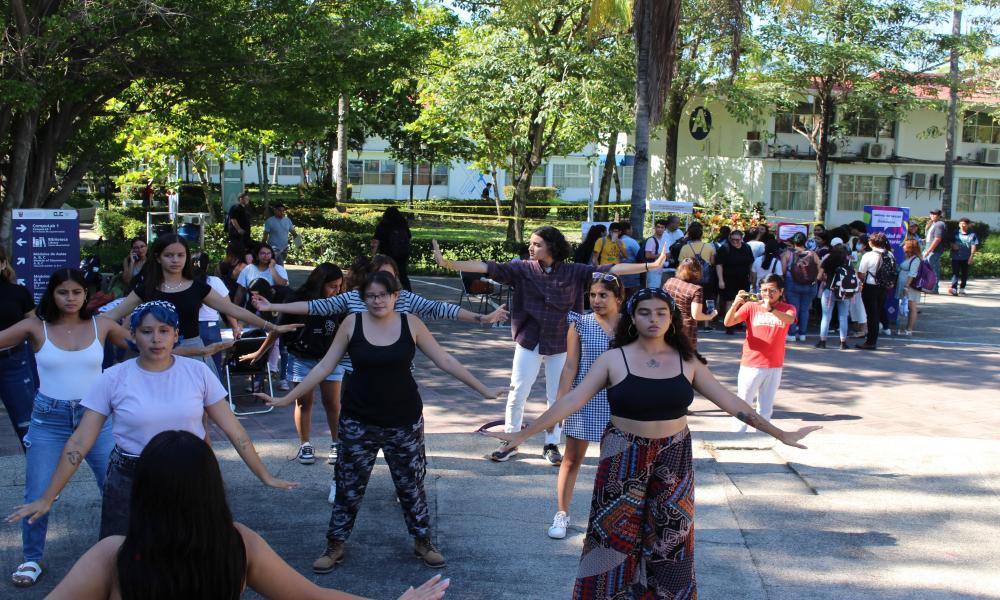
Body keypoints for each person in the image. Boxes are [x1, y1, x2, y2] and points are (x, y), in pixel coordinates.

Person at [485, 287, 819, 599]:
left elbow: (732, 402)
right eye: (645, 313)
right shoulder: (613, 359)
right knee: (611, 538)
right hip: (623, 455)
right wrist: (521, 436)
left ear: (672, 318)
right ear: (633, 318)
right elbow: (571, 402)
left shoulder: (688, 361)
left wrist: (780, 433)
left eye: (661, 312)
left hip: (674, 456)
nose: (653, 319)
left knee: (672, 539)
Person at [258, 271, 499, 572]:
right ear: (363, 298)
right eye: (371, 296)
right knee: (348, 485)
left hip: (404, 420)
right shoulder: (351, 323)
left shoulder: (411, 324)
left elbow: (445, 360)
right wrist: (286, 397)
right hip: (359, 420)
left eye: (383, 295)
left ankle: (423, 540)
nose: (377, 301)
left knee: (411, 485)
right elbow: (323, 367)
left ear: (396, 296)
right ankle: (335, 544)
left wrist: (484, 389)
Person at [6, 301, 297, 540]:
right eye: (146, 331)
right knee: (124, 554)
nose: (156, 339)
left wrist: (264, 474)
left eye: (164, 330)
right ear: (133, 335)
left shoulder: (197, 373)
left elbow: (235, 430)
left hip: (190, 473)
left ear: (176, 334)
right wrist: (47, 497)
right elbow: (80, 441)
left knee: (194, 549)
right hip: (131, 477)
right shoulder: (113, 377)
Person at [42, 430, 450, 600]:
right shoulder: (238, 543)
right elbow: (314, 597)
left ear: (144, 491)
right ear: (210, 487)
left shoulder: (114, 554)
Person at [430, 227, 668, 464]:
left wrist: (651, 266)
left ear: (552, 247)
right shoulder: (521, 269)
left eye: (537, 244)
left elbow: (609, 270)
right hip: (529, 341)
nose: (531, 248)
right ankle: (511, 441)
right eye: (531, 244)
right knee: (517, 392)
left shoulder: (574, 271)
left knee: (556, 396)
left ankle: (551, 443)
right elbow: (487, 267)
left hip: (561, 342)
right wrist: (447, 263)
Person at [1, 269, 129, 587]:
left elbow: (149, 345)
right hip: (48, 421)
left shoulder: (102, 324)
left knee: (116, 489)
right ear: (52, 294)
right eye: (63, 292)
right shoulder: (36, 325)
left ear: (86, 294)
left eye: (76, 292)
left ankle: (128, 552)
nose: (70, 298)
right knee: (39, 490)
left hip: (96, 419)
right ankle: (31, 558)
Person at [99, 234, 297, 374]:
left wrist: (272, 326)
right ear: (158, 258)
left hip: (193, 352)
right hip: (156, 353)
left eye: (180, 255)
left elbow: (233, 309)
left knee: (199, 419)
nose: (175, 260)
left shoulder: (198, 287)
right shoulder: (146, 288)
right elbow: (112, 316)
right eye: (169, 255)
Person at [241, 264, 346, 474]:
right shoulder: (297, 299)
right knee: (303, 401)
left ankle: (337, 444)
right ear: (319, 283)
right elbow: (277, 329)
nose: (336, 291)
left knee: (332, 402)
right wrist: (259, 353)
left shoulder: (340, 303)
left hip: (330, 359)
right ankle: (305, 444)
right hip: (301, 358)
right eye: (332, 286)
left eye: (339, 287)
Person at [546, 273, 624, 540]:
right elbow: (570, 367)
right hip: (584, 400)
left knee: (614, 465)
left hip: (620, 401)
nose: (597, 300)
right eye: (592, 295)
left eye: (603, 295)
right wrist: (559, 405)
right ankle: (562, 514)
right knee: (571, 459)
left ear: (618, 298)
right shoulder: (580, 324)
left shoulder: (631, 327)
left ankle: (609, 519)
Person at [723, 275, 797, 432]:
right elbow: (728, 322)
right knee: (743, 404)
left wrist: (771, 309)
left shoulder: (788, 308)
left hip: (774, 365)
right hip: (751, 365)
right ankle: (738, 435)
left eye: (772, 290)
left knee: (765, 407)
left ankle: (761, 436)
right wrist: (736, 303)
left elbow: (789, 320)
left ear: (781, 291)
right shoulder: (751, 306)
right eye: (764, 290)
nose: (767, 294)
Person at [0, 245, 37, 450]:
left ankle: (40, 479)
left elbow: (34, 328)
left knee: (27, 427)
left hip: (14, 363)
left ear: (3, 263)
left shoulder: (18, 293)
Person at [192, 252, 238, 378]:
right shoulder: (215, 281)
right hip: (210, 328)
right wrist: (235, 327)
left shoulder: (183, 282)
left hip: (188, 327)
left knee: (190, 368)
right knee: (214, 368)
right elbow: (228, 307)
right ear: (207, 267)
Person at [663, 257, 717, 350]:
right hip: (685, 329)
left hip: (667, 325)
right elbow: (696, 315)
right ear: (697, 271)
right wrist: (710, 316)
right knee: (684, 360)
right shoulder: (696, 289)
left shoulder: (670, 282)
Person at [855, 232, 894, 350]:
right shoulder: (890, 254)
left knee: (871, 315)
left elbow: (861, 273)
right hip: (883, 287)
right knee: (877, 313)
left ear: (871, 242)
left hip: (870, 287)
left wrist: (865, 280)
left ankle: (871, 341)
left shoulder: (868, 255)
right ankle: (873, 339)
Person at [715, 229, 755, 335]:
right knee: (730, 301)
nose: (735, 242)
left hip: (743, 278)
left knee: (743, 300)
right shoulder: (725, 248)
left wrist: (751, 275)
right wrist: (720, 280)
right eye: (733, 240)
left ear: (742, 239)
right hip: (728, 279)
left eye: (737, 240)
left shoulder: (747, 247)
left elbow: (751, 262)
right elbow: (719, 264)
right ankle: (729, 325)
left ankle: (738, 321)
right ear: (730, 239)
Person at [783, 233, 821, 342]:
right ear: (805, 241)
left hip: (792, 284)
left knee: (794, 309)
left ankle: (791, 334)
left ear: (793, 242)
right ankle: (803, 334)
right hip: (809, 284)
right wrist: (815, 279)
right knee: (805, 310)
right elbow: (820, 266)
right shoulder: (812, 254)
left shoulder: (788, 254)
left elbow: (784, 270)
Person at [815, 246, 852, 350]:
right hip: (844, 293)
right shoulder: (848, 262)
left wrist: (825, 278)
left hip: (830, 291)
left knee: (826, 317)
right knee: (843, 317)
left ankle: (822, 342)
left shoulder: (828, 260)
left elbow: (819, 276)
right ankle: (843, 343)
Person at [372, 206, 413, 291]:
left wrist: (373, 254)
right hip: (402, 254)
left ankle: (388, 291)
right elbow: (409, 236)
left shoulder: (383, 225)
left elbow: (376, 241)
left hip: (387, 255)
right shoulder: (402, 224)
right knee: (403, 275)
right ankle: (409, 293)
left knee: (387, 274)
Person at [896, 240, 922, 336]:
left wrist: (906, 286)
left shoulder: (916, 259)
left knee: (911, 307)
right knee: (905, 307)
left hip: (910, 287)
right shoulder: (908, 258)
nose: (903, 247)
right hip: (905, 285)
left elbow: (912, 274)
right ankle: (906, 328)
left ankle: (909, 329)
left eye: (905, 245)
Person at [949, 217, 978, 296]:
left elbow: (973, 245)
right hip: (955, 257)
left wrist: (971, 257)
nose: (962, 225)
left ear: (968, 225)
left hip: (966, 257)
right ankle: (954, 288)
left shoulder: (972, 234)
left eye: (964, 224)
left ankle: (962, 289)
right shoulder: (955, 232)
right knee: (955, 273)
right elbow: (951, 241)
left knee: (964, 273)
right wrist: (953, 245)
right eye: (961, 224)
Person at [922, 209, 946, 293]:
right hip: (928, 248)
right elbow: (930, 238)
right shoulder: (932, 223)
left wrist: (928, 251)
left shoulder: (940, 224)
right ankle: (928, 286)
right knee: (928, 268)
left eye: (935, 214)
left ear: (939, 216)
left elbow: (937, 239)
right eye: (931, 214)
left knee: (933, 269)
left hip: (934, 251)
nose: (932, 215)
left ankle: (934, 288)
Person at [618, 221, 642, 295]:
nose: (632, 231)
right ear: (627, 230)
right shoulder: (631, 241)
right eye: (631, 229)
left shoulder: (615, 241)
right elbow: (639, 255)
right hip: (631, 272)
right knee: (633, 295)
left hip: (618, 271)